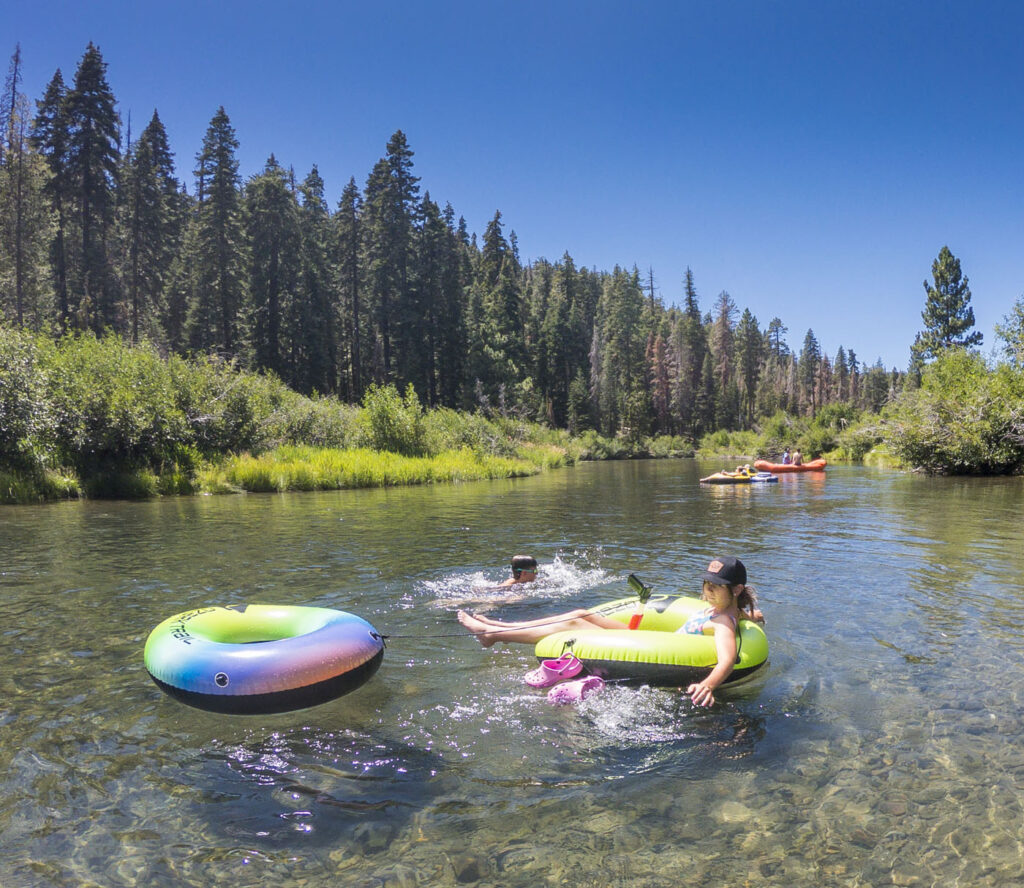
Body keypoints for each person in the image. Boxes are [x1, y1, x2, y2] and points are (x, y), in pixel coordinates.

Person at [458, 556, 763, 707]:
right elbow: (746, 615)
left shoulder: (723, 622)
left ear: (735, 590)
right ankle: (501, 626)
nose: (708, 591)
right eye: (707, 584)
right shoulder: (727, 610)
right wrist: (753, 616)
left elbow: (727, 658)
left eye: (716, 587)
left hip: (657, 649)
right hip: (654, 640)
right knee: (582, 614)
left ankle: (493, 635)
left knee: (575, 624)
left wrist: (708, 685)